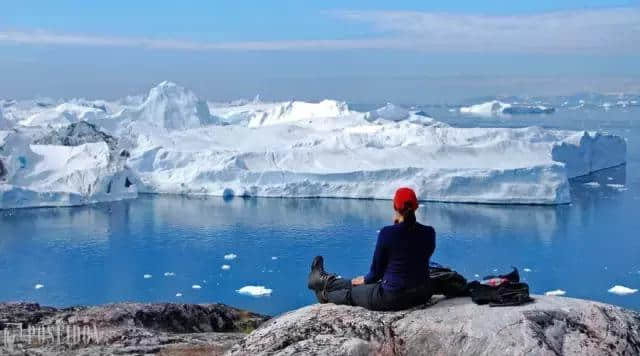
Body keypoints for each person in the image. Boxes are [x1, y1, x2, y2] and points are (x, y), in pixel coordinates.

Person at [307, 187, 436, 311]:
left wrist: (365, 280)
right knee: (360, 283)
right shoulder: (429, 232)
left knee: (352, 292)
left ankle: (323, 294)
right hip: (421, 294)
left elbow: (376, 274)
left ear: (395, 207)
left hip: (393, 297)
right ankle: (323, 280)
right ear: (416, 207)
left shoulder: (387, 233)